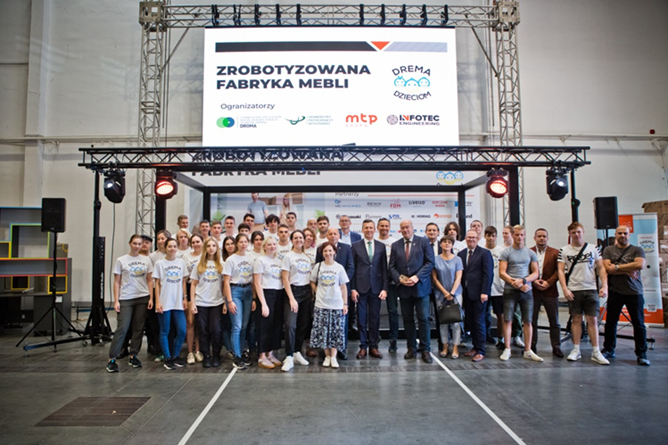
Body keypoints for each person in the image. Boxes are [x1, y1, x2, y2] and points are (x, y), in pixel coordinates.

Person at [557, 222, 608, 364]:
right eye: (573, 232)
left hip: (591, 288)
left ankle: (596, 351)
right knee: (576, 319)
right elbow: (560, 270)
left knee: (592, 320)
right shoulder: (564, 250)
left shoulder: (593, 248)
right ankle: (576, 349)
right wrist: (564, 288)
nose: (576, 235)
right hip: (574, 289)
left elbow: (601, 268)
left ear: (583, 232)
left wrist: (604, 286)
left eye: (578, 232)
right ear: (569, 234)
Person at [602, 225, 649, 366]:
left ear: (629, 235)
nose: (623, 235)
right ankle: (609, 349)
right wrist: (629, 269)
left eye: (625, 233)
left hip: (634, 292)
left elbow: (640, 265)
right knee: (611, 322)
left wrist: (616, 267)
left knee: (639, 324)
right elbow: (607, 268)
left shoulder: (637, 250)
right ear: (616, 234)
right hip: (615, 291)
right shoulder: (608, 250)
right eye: (620, 233)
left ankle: (641, 353)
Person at [389, 219, 435, 363]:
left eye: (407, 227)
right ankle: (411, 348)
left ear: (413, 228)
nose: (405, 230)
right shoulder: (395, 245)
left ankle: (425, 349)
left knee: (423, 319)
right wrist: (400, 279)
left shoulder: (424, 242)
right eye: (402, 228)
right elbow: (391, 267)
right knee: (407, 319)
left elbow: (430, 263)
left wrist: (417, 277)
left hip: (421, 288)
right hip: (404, 289)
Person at [106, 235, 153, 373]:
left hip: (142, 297)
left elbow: (150, 280)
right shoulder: (121, 260)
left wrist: (150, 298)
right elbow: (116, 281)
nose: (137, 246)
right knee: (123, 328)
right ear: (130, 244)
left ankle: (134, 355)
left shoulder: (146, 260)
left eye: (139, 244)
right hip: (126, 298)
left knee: (138, 328)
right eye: (135, 243)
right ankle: (112, 358)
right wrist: (116, 300)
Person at [498, 225, 543, 362]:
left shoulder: (530, 253)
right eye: (517, 235)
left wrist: (523, 281)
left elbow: (536, 273)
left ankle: (528, 350)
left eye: (522, 235)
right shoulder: (506, 252)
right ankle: (507, 349)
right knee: (508, 320)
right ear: (512, 235)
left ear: (525, 235)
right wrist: (515, 283)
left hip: (526, 290)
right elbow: (502, 273)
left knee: (528, 321)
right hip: (510, 290)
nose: (519, 237)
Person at [316, 227, 355, 360]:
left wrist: (340, 281)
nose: (333, 236)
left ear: (339, 235)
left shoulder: (347, 248)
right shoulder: (321, 248)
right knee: (325, 324)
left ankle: (341, 349)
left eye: (335, 234)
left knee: (341, 324)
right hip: (325, 294)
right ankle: (326, 350)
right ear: (327, 235)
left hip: (341, 291)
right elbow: (317, 269)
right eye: (330, 234)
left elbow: (351, 267)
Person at [350, 219, 388, 359]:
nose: (369, 230)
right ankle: (363, 347)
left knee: (375, 318)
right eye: (366, 228)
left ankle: (373, 346)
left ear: (375, 229)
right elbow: (352, 268)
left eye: (371, 227)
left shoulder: (381, 246)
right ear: (362, 229)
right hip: (360, 288)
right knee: (361, 319)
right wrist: (353, 288)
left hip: (376, 288)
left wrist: (385, 288)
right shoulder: (355, 246)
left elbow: (384, 268)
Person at [310, 242, 350, 368]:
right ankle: (327, 356)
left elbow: (343, 287)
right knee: (323, 331)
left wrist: (345, 304)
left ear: (334, 252)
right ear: (322, 253)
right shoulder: (318, 266)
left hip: (337, 304)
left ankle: (333, 357)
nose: (328, 253)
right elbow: (312, 282)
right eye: (325, 251)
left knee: (336, 331)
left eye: (330, 250)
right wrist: (317, 291)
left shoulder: (339, 268)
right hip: (321, 304)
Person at [458, 230, 493, 362]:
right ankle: (475, 346)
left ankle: (481, 350)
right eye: (469, 237)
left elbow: (488, 274)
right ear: (465, 239)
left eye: (473, 237)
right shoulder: (461, 254)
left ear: (478, 239)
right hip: (466, 294)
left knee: (479, 322)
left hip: (479, 294)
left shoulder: (485, 253)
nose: (471, 239)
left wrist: (485, 292)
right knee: (471, 322)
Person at [153, 238, 188, 370]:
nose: (172, 249)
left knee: (182, 330)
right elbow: (157, 284)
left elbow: (183, 281)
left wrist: (185, 298)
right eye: (170, 246)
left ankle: (175, 356)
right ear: (165, 248)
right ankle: (167, 358)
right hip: (164, 301)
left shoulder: (181, 262)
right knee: (165, 330)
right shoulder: (159, 263)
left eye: (174, 246)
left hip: (178, 301)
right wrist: (157, 301)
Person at [281, 230, 314, 371]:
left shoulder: (307, 257)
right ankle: (288, 356)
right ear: (292, 240)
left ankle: (297, 352)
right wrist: (291, 298)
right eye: (296, 238)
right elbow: (285, 279)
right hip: (293, 292)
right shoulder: (288, 257)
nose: (299, 240)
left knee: (302, 325)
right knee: (290, 325)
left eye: (301, 237)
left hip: (306, 292)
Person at [189, 237, 224, 368]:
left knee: (216, 330)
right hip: (201, 302)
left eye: (213, 246)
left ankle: (216, 355)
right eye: (208, 246)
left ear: (217, 248)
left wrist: (225, 301)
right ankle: (206, 356)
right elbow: (193, 284)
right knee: (203, 331)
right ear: (205, 248)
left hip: (217, 302)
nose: (211, 248)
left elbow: (224, 284)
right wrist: (193, 303)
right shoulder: (199, 265)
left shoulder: (221, 264)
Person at [222, 234, 254, 370]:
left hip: (248, 291)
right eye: (241, 242)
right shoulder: (231, 260)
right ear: (237, 244)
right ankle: (237, 356)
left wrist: (254, 298)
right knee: (237, 325)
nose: (243, 244)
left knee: (244, 326)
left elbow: (254, 279)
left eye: (245, 241)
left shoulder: (251, 259)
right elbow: (226, 282)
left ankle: (241, 352)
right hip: (235, 291)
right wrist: (229, 301)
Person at [530, 228, 564, 358]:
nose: (541, 238)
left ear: (547, 238)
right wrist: (533, 281)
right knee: (532, 320)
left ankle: (556, 347)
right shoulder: (529, 252)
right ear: (534, 238)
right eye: (539, 236)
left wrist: (548, 283)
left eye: (544, 236)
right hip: (533, 291)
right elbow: (525, 269)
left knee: (554, 321)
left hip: (550, 291)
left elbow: (559, 271)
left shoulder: (555, 252)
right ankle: (531, 346)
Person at [253, 237, 285, 369]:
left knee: (275, 325)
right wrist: (263, 303)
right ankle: (262, 356)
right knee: (264, 325)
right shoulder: (260, 260)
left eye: (274, 244)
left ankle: (270, 353)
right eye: (269, 244)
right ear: (264, 246)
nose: (272, 246)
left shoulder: (279, 261)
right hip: (266, 294)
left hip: (279, 294)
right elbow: (257, 283)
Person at [432, 236, 463, 359]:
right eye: (444, 242)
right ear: (440, 244)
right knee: (443, 322)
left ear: (452, 245)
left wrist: (452, 293)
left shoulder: (458, 259)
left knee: (456, 322)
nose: (446, 244)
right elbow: (434, 278)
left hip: (456, 294)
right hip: (440, 294)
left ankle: (455, 348)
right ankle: (445, 347)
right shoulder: (435, 259)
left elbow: (458, 278)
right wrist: (445, 293)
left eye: (449, 242)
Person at [376, 217, 399, 352]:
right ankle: (375, 337)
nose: (384, 228)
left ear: (389, 227)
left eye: (386, 226)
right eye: (381, 226)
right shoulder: (374, 241)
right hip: (376, 281)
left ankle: (393, 340)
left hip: (391, 282)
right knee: (374, 311)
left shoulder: (395, 243)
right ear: (377, 227)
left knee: (393, 311)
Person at [148, 230, 171, 361]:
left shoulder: (174, 254)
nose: (161, 241)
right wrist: (153, 298)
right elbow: (151, 278)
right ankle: (159, 350)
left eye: (163, 238)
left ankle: (170, 350)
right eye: (159, 239)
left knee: (170, 325)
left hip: (171, 292)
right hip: (157, 292)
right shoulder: (153, 256)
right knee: (157, 324)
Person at [483, 226, 507, 350]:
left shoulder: (502, 251)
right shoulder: (481, 250)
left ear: (496, 237)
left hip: (499, 289)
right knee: (482, 315)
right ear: (485, 236)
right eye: (488, 235)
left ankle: (501, 339)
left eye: (493, 236)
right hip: (485, 289)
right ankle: (483, 337)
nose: (491, 238)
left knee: (500, 315)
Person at [181, 233, 203, 365]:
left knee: (199, 322)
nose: (195, 244)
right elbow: (183, 279)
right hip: (190, 288)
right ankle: (190, 352)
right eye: (193, 242)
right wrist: (184, 296)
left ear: (202, 242)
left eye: (198, 241)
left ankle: (198, 350)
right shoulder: (186, 257)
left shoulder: (205, 255)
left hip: (203, 290)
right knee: (190, 322)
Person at [425, 222, 443, 351]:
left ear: (438, 232)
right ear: (426, 232)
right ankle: (425, 344)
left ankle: (443, 342)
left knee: (440, 315)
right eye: (429, 230)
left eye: (434, 230)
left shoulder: (444, 246)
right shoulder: (421, 246)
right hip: (425, 286)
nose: (432, 232)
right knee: (424, 316)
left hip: (440, 286)